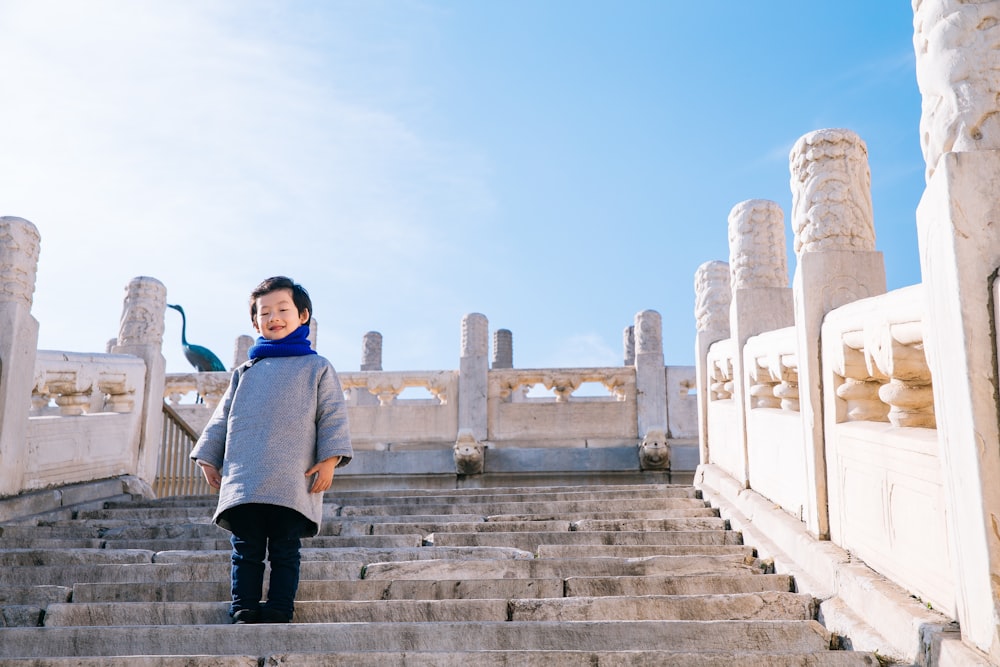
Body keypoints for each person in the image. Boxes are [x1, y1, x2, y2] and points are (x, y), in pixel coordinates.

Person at [191, 276, 353, 624]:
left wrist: (330, 459)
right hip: (244, 476)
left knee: (284, 549)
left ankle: (280, 606)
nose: (274, 317)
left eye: (283, 309)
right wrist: (208, 456)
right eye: (265, 313)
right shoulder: (245, 371)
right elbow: (222, 417)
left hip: (292, 476)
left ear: (303, 316)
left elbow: (332, 414)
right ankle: (244, 606)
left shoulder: (317, 367)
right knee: (245, 549)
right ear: (255, 322)